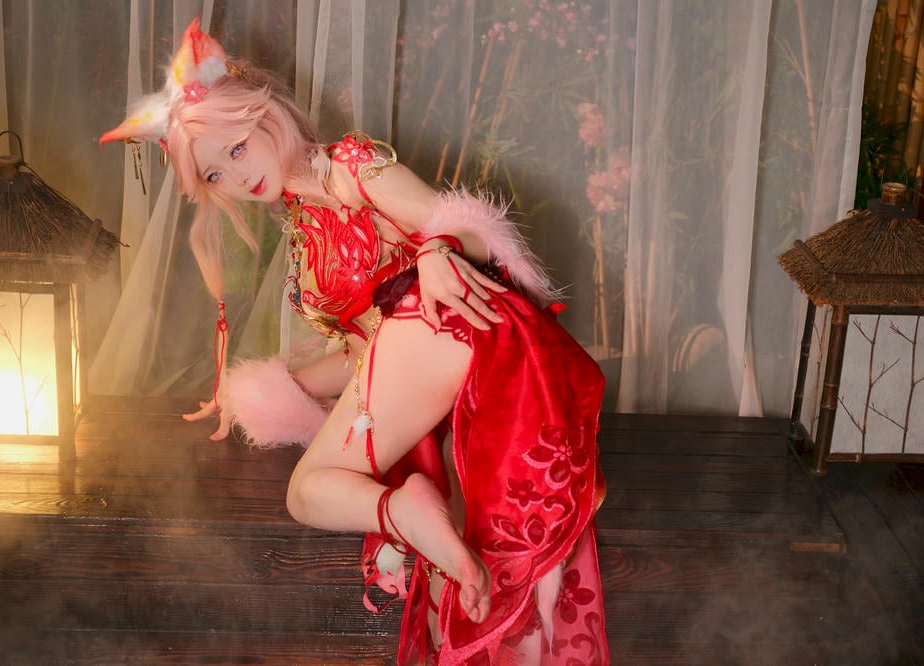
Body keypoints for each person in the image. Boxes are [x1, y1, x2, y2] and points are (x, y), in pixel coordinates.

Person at [101, 18, 609, 666]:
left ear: (265, 113)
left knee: (313, 488)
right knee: (366, 526)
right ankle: (412, 515)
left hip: (458, 328)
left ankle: (410, 512)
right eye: (216, 174)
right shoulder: (302, 226)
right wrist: (269, 388)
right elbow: (368, 354)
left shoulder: (349, 164)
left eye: (238, 147)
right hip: (427, 362)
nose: (237, 175)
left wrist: (438, 252)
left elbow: (469, 229)